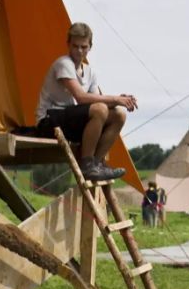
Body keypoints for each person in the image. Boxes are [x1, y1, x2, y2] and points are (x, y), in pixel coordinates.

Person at [34, 22, 138, 181]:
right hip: (49, 121)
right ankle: (88, 164)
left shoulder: (89, 72)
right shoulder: (63, 63)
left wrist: (118, 102)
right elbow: (81, 98)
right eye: (75, 46)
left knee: (119, 115)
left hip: (69, 121)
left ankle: (97, 163)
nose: (79, 51)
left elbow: (97, 101)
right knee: (100, 110)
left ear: (90, 46)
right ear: (68, 44)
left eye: (83, 47)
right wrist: (116, 98)